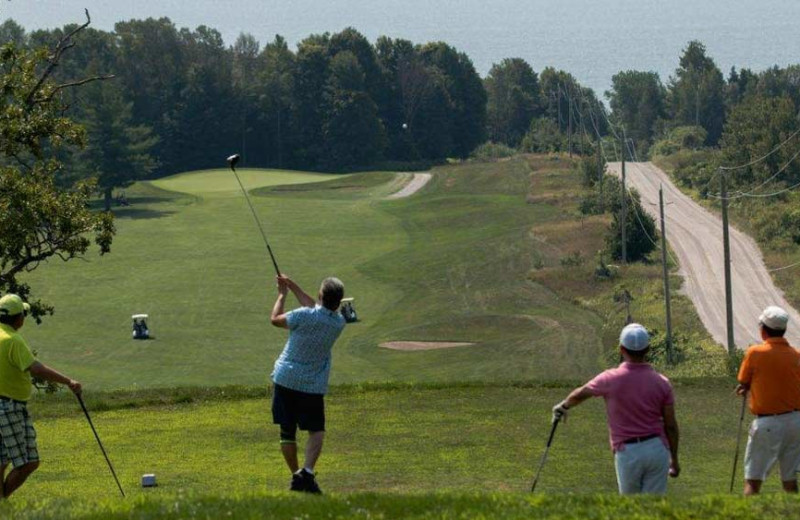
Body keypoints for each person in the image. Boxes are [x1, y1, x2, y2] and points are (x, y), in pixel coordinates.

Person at [551, 323, 680, 495]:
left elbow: (581, 393)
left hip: (628, 452)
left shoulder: (609, 378)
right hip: (656, 449)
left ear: (621, 349)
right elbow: (670, 426)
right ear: (648, 349)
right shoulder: (662, 382)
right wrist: (674, 459)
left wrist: (563, 406)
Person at [0, 294, 82, 499]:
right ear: (18, 317)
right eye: (24, 314)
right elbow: (35, 368)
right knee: (26, 462)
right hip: (9, 407)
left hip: (10, 406)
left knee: (8, 460)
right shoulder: (13, 340)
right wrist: (68, 381)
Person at [269, 275, 346, 494]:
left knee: (287, 431)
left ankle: (296, 475)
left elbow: (275, 319)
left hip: (285, 378)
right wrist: (293, 285)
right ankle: (308, 473)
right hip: (312, 384)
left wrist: (282, 294)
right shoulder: (338, 323)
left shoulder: (303, 316)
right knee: (316, 430)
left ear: (321, 295)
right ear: (338, 302)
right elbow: (316, 308)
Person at [736, 305, 800, 496]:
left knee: (753, 481)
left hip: (768, 423)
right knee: (790, 481)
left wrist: (746, 387)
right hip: (795, 422)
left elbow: (743, 380)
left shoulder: (755, 353)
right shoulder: (796, 355)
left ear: (763, 330)